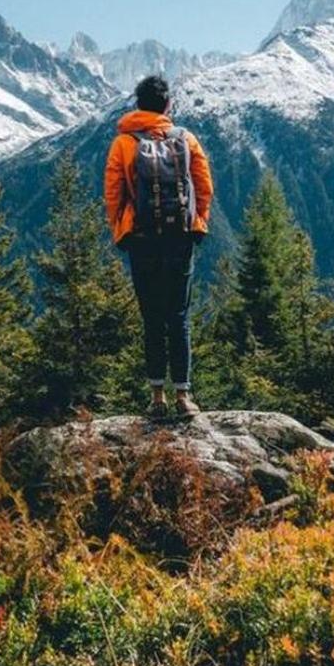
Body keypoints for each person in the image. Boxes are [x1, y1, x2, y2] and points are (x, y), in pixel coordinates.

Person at [104, 74, 214, 417]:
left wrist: (120, 230)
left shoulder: (123, 143)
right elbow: (204, 185)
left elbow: (113, 193)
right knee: (178, 315)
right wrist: (198, 223)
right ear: (168, 106)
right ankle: (184, 398)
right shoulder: (186, 138)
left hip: (142, 239)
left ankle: (157, 400)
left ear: (137, 105)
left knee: (152, 317)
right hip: (180, 238)